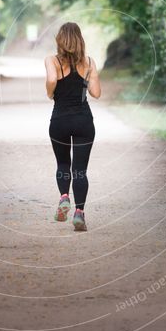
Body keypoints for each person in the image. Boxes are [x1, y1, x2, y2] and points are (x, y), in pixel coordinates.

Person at [44, 22, 101, 231]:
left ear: (60, 40)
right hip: (84, 121)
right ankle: (79, 213)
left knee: (62, 164)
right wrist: (88, 75)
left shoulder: (52, 60)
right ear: (80, 40)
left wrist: (50, 93)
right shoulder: (89, 62)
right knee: (80, 170)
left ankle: (64, 197)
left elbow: (51, 79)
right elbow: (96, 93)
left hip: (59, 120)